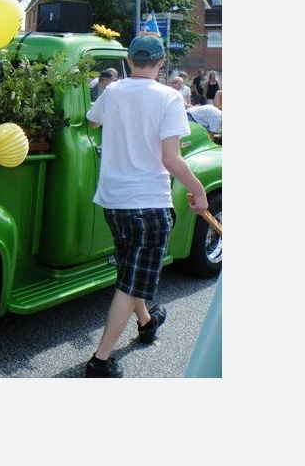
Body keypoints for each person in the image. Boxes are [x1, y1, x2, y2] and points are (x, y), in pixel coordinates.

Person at [84, 34, 208, 378]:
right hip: (149, 203)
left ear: (129, 59)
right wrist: (198, 190)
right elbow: (172, 159)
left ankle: (147, 321)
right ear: (161, 63)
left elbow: (92, 120)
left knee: (130, 270)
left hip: (113, 201)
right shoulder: (169, 97)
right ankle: (100, 360)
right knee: (131, 281)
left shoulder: (112, 91)